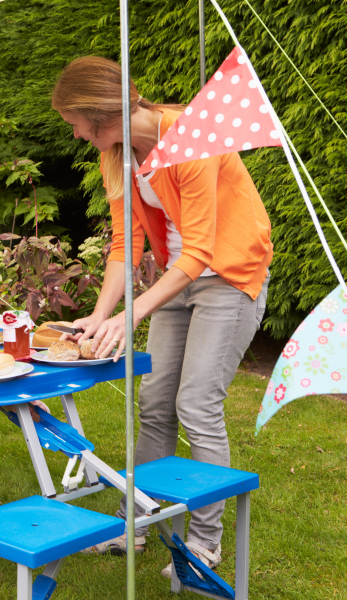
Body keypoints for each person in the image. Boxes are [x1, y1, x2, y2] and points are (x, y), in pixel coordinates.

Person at [51, 56, 272, 576]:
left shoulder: (192, 136)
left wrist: (130, 316)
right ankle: (139, 526)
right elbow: (125, 244)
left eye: (75, 123)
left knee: (197, 402)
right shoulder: (121, 155)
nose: (76, 134)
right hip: (179, 277)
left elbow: (199, 251)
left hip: (229, 274)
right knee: (154, 404)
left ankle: (203, 543)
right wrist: (99, 314)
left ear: (99, 113)